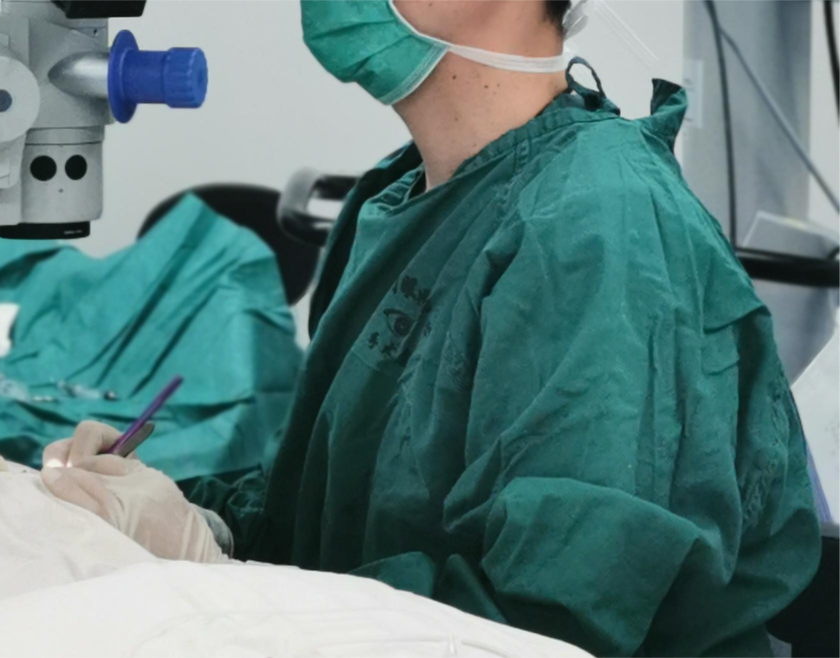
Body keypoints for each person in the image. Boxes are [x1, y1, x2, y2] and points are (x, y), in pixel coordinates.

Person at [40, 1, 822, 656]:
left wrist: (215, 571)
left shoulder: (599, 226)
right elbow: (322, 510)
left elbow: (542, 627)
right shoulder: (401, 196)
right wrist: (178, 514)